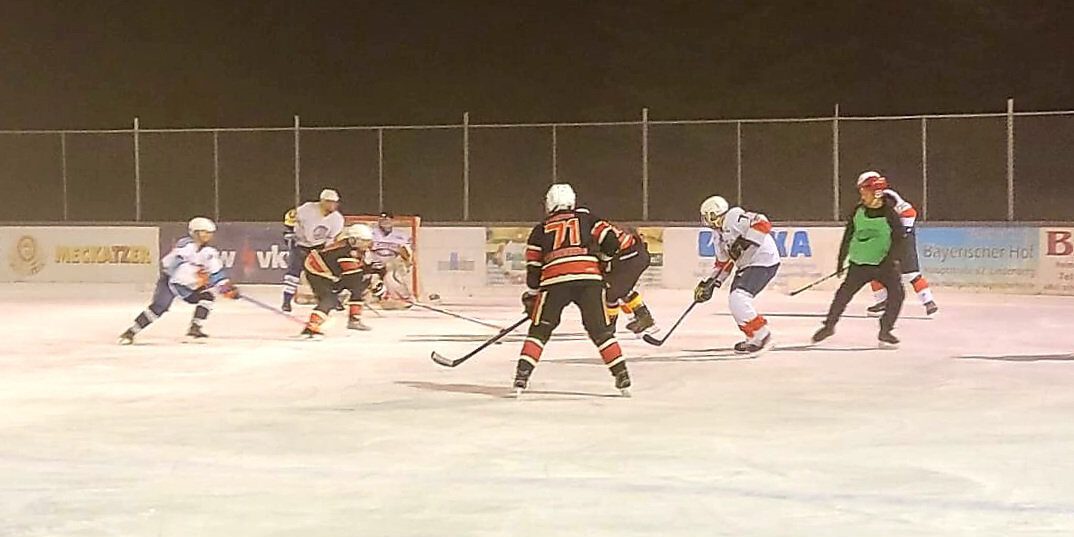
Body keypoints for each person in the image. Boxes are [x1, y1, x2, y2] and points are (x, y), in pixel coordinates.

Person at [515, 184, 632, 396]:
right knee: (600, 331)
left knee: (540, 330)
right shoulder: (588, 219)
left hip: (554, 281)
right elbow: (612, 242)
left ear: (549, 203)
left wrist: (532, 297)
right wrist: (603, 261)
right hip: (589, 279)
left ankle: (521, 377)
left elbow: (534, 270)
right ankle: (622, 375)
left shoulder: (540, 229)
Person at [813, 173, 906, 346]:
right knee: (842, 296)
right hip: (859, 264)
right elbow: (848, 235)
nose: (862, 194)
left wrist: (890, 259)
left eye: (864, 190)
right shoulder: (858, 210)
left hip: (883, 265)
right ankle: (829, 326)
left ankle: (885, 331)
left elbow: (900, 238)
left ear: (875, 192)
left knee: (897, 295)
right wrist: (841, 260)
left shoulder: (890, 214)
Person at [118, 217, 239, 344]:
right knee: (159, 307)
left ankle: (195, 328)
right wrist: (196, 274)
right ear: (194, 232)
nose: (207, 236)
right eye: (204, 232)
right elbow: (170, 265)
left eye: (209, 233)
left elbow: (216, 273)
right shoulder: (185, 245)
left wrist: (227, 288)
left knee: (207, 297)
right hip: (170, 282)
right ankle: (131, 332)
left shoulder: (209, 253)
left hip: (186, 287)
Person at [693, 196, 780, 354]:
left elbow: (763, 223)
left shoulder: (734, 217)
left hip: (763, 260)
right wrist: (711, 283)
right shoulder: (717, 235)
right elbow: (723, 263)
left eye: (709, 216)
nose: (707, 221)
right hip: (747, 265)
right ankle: (753, 337)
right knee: (735, 302)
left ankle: (763, 335)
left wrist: (746, 241)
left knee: (739, 298)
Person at [856, 171, 939, 317]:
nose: (862, 191)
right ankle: (883, 303)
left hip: (903, 238)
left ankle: (928, 303)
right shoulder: (868, 202)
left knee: (911, 273)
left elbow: (909, 212)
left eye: (864, 187)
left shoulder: (887, 196)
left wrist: (903, 233)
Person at [299, 223, 386, 339]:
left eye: (368, 240)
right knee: (330, 299)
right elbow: (353, 278)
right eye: (363, 241)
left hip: (332, 271)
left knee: (358, 286)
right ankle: (311, 327)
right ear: (353, 240)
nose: (367, 244)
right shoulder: (345, 253)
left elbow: (360, 272)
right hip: (317, 271)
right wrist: (372, 285)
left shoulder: (356, 249)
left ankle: (354, 320)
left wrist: (372, 280)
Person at [591, 213, 656, 335]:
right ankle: (643, 317)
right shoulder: (600, 226)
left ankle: (609, 326)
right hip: (637, 255)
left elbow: (605, 254)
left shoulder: (590, 233)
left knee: (611, 292)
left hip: (630, 257)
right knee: (621, 289)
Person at [281, 188, 345, 312]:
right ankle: (286, 301)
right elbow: (291, 216)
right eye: (329, 202)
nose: (333, 205)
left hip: (318, 247)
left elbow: (331, 238)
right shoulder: (307, 209)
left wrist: (326, 251)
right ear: (322, 201)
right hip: (300, 244)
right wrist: (288, 231)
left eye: (335, 202)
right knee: (293, 273)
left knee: (326, 274)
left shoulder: (337, 219)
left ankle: (330, 299)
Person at [370, 212, 415, 307]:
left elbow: (407, 254)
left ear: (393, 221)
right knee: (372, 280)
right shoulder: (370, 233)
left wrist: (405, 262)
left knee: (392, 274)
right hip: (374, 264)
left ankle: (403, 297)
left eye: (388, 219)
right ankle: (384, 298)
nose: (385, 221)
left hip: (392, 264)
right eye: (382, 219)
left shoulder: (401, 235)